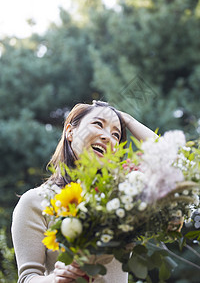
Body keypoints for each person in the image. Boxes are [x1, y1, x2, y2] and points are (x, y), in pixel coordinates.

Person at [12, 100, 157, 283]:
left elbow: (172, 162)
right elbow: (27, 278)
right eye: (98, 124)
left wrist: (127, 119)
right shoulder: (34, 201)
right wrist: (56, 278)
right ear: (70, 131)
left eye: (116, 134)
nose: (107, 137)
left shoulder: (120, 197)